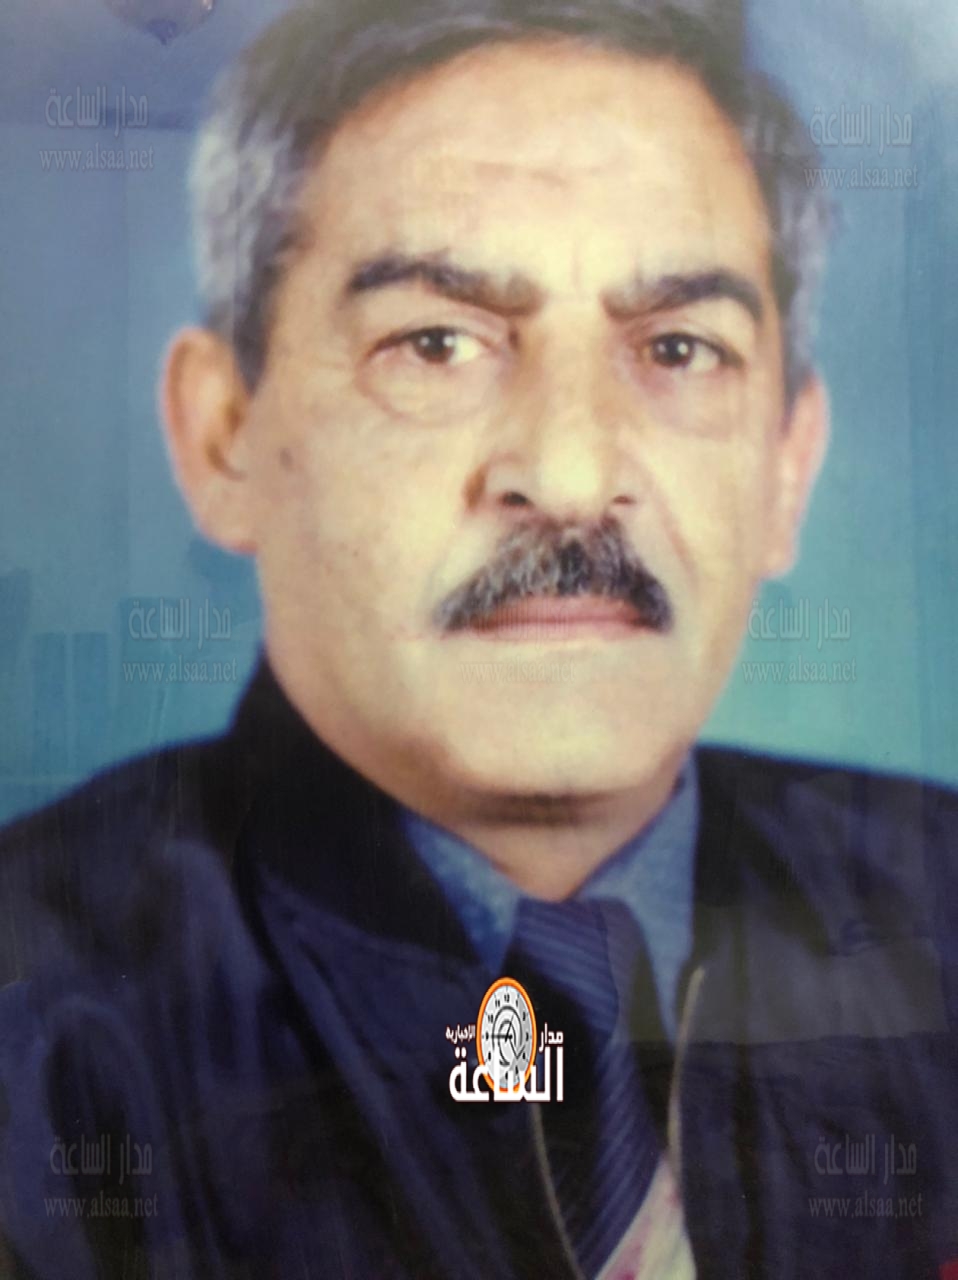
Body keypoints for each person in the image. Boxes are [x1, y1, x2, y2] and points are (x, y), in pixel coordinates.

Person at [1, 2, 956, 1277]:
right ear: (224, 436)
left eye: (680, 347)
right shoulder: (34, 1047)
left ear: (789, 465)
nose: (568, 474)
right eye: (436, 343)